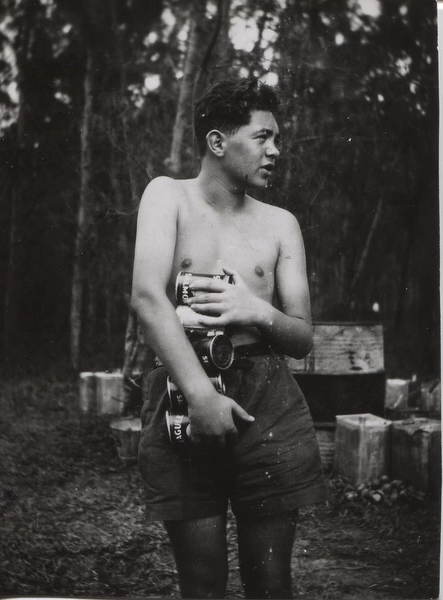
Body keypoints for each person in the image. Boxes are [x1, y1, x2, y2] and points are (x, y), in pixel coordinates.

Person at [131, 76, 327, 599]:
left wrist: (255, 310)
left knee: (271, 583)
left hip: (269, 402)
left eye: (277, 139)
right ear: (218, 142)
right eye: (264, 137)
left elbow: (303, 336)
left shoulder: (282, 225)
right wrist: (200, 395)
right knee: (202, 584)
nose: (276, 151)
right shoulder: (166, 196)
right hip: (183, 394)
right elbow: (148, 300)